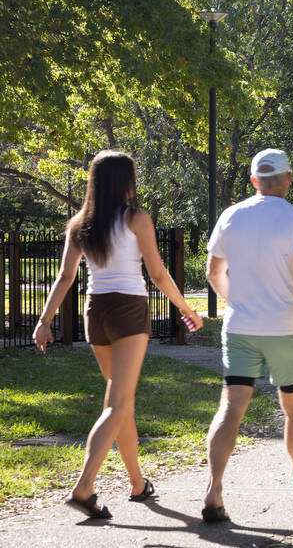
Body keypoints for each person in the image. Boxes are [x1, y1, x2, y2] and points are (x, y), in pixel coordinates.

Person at [32, 151, 204, 519]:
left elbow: (66, 277)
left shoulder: (79, 225)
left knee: (120, 399)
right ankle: (84, 487)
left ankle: (138, 483)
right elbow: (158, 274)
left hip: (96, 312)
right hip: (128, 311)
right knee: (118, 404)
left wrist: (45, 320)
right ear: (125, 182)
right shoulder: (136, 219)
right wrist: (187, 310)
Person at [202, 148, 293, 523]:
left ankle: (213, 491)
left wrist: (237, 300)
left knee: (231, 407)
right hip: (286, 328)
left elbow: (212, 271)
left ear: (254, 181)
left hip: (239, 327)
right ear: (289, 178)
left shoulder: (230, 215)